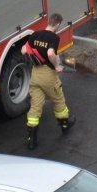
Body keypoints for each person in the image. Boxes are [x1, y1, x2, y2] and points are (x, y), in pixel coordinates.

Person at [23, 14, 74, 151]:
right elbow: (51, 53)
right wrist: (57, 66)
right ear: (57, 25)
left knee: (36, 105)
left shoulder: (34, 35)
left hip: (35, 74)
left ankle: (31, 140)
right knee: (58, 100)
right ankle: (65, 125)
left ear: (48, 21)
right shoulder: (54, 38)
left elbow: (24, 50)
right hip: (48, 75)